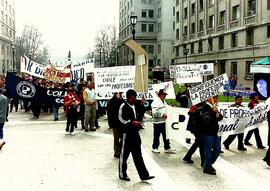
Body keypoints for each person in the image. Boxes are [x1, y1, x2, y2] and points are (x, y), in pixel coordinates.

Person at [118, 89, 154, 181]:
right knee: (124, 155)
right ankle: (122, 174)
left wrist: (142, 104)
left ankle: (144, 175)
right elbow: (120, 119)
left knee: (138, 155)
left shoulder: (136, 105)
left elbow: (141, 114)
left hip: (135, 134)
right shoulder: (123, 106)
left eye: (134, 98)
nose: (133, 100)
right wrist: (131, 122)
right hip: (127, 134)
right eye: (131, 98)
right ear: (127, 98)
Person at [201, 96, 223, 175]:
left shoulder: (214, 107)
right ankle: (207, 167)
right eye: (214, 98)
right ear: (209, 99)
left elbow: (220, 117)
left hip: (214, 132)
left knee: (217, 149)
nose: (216, 99)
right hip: (207, 133)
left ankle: (208, 163)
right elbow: (206, 120)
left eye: (217, 98)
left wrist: (217, 114)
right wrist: (213, 112)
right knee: (208, 151)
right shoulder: (206, 107)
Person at [151, 89, 176, 154]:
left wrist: (172, 107)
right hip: (158, 122)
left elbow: (167, 108)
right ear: (160, 95)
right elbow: (154, 113)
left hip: (164, 122)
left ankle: (167, 147)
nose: (165, 96)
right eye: (163, 95)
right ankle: (154, 147)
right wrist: (162, 115)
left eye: (165, 95)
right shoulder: (156, 102)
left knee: (166, 135)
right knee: (157, 135)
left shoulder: (163, 101)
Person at [107, 92, 124, 158]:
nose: (119, 94)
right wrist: (110, 123)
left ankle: (120, 149)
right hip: (115, 123)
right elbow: (109, 113)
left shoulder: (122, 101)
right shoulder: (111, 102)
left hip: (122, 122)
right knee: (116, 138)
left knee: (123, 137)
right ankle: (116, 151)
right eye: (118, 93)